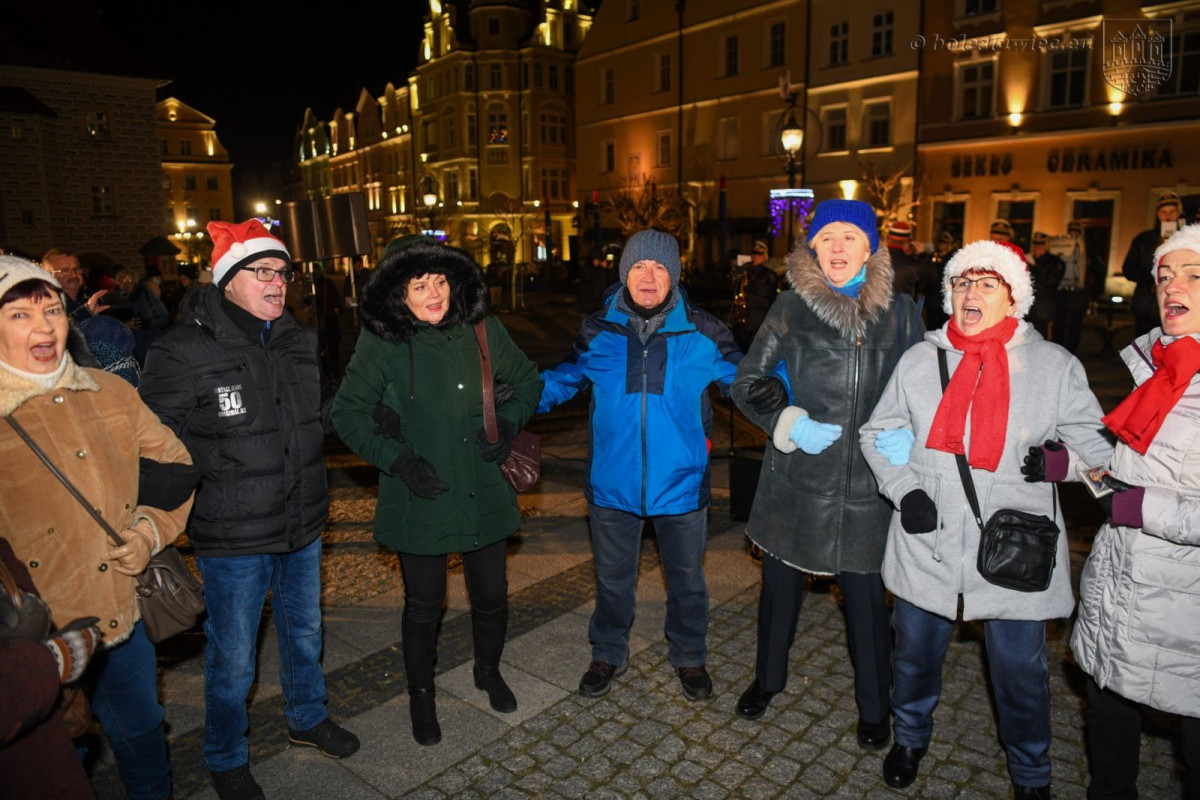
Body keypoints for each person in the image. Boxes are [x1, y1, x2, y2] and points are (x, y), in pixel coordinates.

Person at [859, 238, 1113, 799]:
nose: (971, 293)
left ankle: (1030, 772)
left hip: (1014, 551)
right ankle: (910, 737)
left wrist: (1060, 462)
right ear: (949, 294)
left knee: (1020, 676)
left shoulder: (1054, 365)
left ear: (1013, 297)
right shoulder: (920, 360)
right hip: (927, 543)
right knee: (914, 658)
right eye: (962, 282)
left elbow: (1100, 451)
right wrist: (905, 491)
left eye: (986, 283)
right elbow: (877, 433)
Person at [139, 220, 358, 800]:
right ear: (228, 279)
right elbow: (151, 443)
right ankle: (225, 754)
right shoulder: (181, 350)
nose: (277, 283)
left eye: (283, 272)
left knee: (306, 632)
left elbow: (322, 412)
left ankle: (307, 719)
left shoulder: (299, 339)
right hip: (232, 534)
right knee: (234, 656)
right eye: (262, 272)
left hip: (304, 520)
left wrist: (373, 409)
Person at [729, 199, 923, 748]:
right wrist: (785, 418)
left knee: (866, 605)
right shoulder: (789, 308)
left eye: (850, 237)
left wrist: (912, 428)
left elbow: (928, 386)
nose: (838, 247)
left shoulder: (903, 312)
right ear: (812, 246)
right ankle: (768, 680)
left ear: (871, 247)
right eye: (827, 237)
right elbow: (747, 382)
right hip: (798, 479)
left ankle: (874, 706)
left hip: (870, 485)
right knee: (779, 593)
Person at [0, 255, 195, 800]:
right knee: (57, 759)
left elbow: (174, 467)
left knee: (143, 734)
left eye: (51, 309)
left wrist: (147, 532)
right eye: (20, 314)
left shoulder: (110, 392)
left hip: (120, 614)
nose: (44, 326)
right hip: (35, 638)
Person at [331, 239, 540, 746]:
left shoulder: (483, 330)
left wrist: (508, 423)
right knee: (425, 604)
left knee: (491, 595)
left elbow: (529, 380)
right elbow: (346, 414)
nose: (434, 294)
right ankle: (421, 694)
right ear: (399, 294)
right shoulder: (381, 343)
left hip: (483, 486)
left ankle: (487, 671)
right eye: (419, 285)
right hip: (420, 493)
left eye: (441, 281)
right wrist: (398, 459)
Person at [538, 229, 742, 702]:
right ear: (624, 272)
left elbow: (747, 377)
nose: (648, 277)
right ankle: (608, 650)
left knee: (687, 582)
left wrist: (782, 391)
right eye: (638, 267)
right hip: (613, 483)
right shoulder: (599, 329)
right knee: (612, 580)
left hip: (682, 484)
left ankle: (689, 656)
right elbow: (563, 380)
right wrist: (513, 399)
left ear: (674, 275)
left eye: (659, 268)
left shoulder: (704, 330)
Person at [1071, 224, 1200, 800]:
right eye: (1166, 275)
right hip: (1122, 591)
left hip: (1185, 611)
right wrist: (1073, 468)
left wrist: (1139, 506)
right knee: (1108, 722)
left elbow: (1142, 498)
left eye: (1195, 276)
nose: (1175, 286)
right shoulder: (1160, 370)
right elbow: (1132, 480)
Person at [1124, 191, 1184, 337]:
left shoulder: (1187, 238)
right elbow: (1128, 269)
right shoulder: (1143, 239)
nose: (1168, 215)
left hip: (1179, 304)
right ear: (1157, 214)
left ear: (1178, 213)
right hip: (1148, 304)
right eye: (1164, 211)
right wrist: (1150, 277)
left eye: (1172, 211)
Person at [732, 239, 779, 352]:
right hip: (745, 320)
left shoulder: (769, 275)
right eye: (754, 254)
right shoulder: (747, 271)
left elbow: (768, 297)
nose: (755, 257)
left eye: (758, 254)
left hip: (759, 319)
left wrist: (752, 288)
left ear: (764, 257)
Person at [41, 249, 108, 322]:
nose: (74, 275)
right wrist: (85, 313)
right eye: (65, 270)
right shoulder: (44, 306)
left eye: (77, 269)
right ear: (48, 275)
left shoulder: (88, 303)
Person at [1028, 231, 1064, 341]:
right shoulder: (1030, 259)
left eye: (1041, 244)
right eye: (1035, 244)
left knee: (1041, 339)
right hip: (1028, 310)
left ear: (1047, 245)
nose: (1037, 247)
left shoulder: (1055, 261)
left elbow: (1050, 281)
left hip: (1043, 311)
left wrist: (1033, 266)